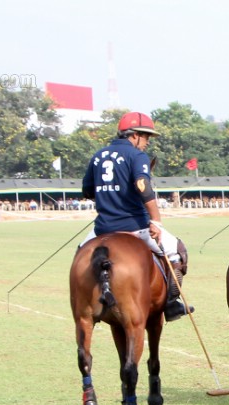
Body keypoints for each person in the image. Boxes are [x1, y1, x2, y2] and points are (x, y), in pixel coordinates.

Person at [81, 111, 191, 321]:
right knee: (177, 251)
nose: (147, 142)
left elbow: (87, 191)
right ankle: (171, 304)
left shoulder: (98, 155)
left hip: (102, 229)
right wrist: (155, 222)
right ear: (133, 135)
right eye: (146, 136)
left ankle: (84, 303)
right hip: (135, 226)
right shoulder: (136, 155)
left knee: (81, 254)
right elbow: (143, 187)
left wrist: (110, 194)